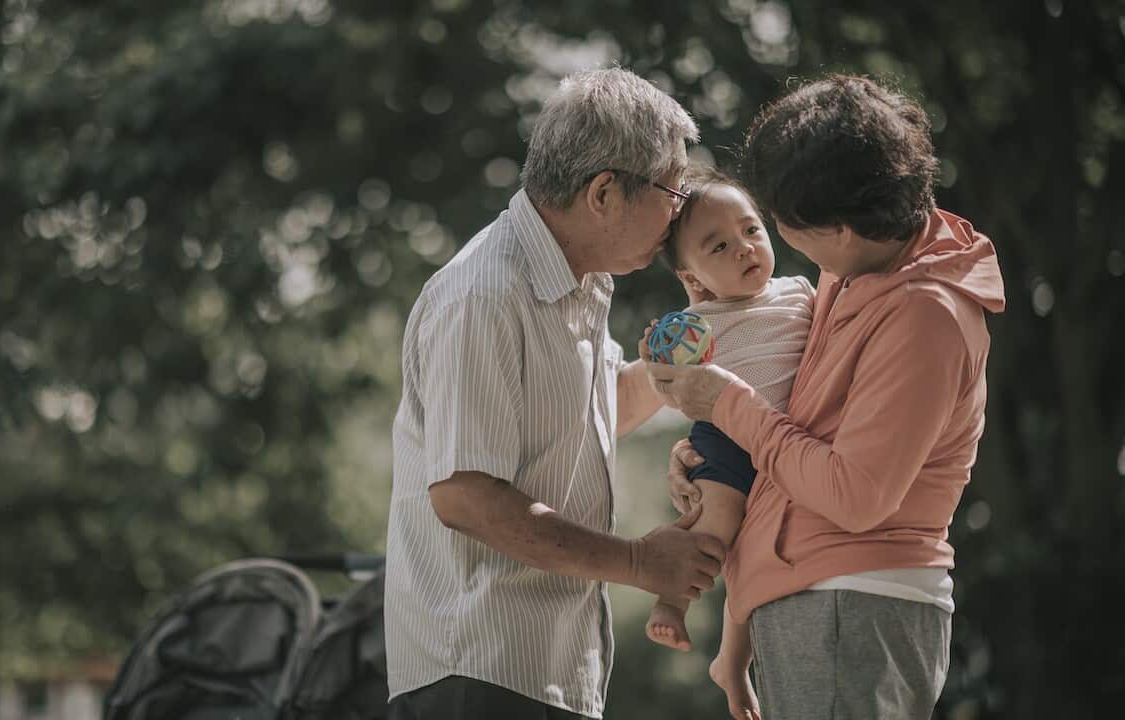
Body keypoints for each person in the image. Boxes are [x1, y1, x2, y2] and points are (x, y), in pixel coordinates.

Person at [647, 75, 1006, 720]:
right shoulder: (863, 267)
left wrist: (727, 404)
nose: (774, 244)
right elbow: (795, 423)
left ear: (840, 229)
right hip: (819, 593)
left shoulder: (925, 315)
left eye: (779, 224)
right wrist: (711, 444)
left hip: (854, 597)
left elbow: (855, 495)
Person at [385, 67, 726, 720]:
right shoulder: (483, 296)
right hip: (477, 678)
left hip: (549, 677)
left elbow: (605, 412)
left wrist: (708, 326)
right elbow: (464, 496)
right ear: (604, 193)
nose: (681, 207)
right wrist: (638, 562)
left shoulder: (577, 282)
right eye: (674, 189)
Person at [638, 167, 812, 720]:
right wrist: (656, 359)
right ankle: (676, 596)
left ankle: (732, 662)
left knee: (756, 540)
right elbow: (674, 392)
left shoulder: (802, 293)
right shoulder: (697, 323)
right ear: (693, 276)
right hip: (729, 435)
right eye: (720, 245)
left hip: (786, 431)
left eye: (751, 230)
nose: (744, 249)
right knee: (721, 521)